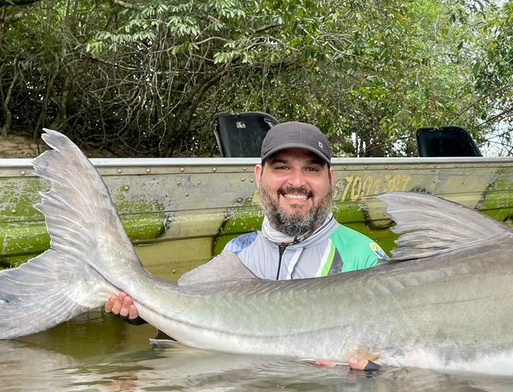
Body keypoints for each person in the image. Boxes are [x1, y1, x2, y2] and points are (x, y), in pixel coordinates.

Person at [106, 121, 388, 366]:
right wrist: (139, 312)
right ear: (258, 175)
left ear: (331, 178)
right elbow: (186, 304)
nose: (297, 181)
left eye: (312, 169)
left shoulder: (367, 258)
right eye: (282, 167)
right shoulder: (240, 251)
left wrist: (370, 377)